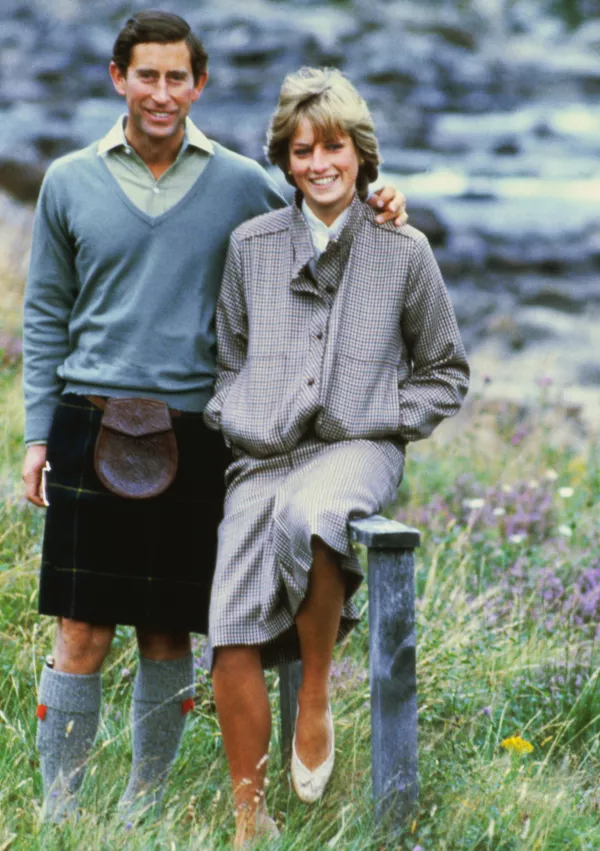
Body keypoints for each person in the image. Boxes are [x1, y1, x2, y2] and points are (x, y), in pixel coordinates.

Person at [21, 12, 408, 823]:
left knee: (169, 632)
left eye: (177, 78)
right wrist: (34, 434)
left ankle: (145, 806)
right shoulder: (66, 180)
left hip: (196, 433)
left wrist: (380, 201)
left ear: (198, 85)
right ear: (116, 77)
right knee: (81, 633)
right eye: (146, 75)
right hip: (87, 421)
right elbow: (46, 314)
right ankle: (58, 813)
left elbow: (317, 208)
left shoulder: (239, 181)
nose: (161, 93)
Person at [203, 66, 470, 847]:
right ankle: (248, 822)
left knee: (316, 513)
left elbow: (445, 371)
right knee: (230, 624)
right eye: (303, 150)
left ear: (362, 155)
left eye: (336, 148)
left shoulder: (403, 248)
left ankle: (315, 690)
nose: (320, 164)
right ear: (284, 160)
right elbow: (228, 354)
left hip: (358, 452)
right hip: (262, 454)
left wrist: (384, 416)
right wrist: (235, 410)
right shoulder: (250, 246)